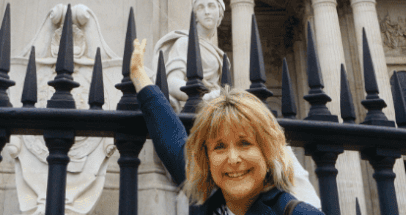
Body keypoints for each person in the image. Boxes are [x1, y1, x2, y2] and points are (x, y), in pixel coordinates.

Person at [130, 38, 324, 215]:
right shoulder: (211, 197)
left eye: (245, 143)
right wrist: (139, 75)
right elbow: (172, 141)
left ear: (267, 151)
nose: (232, 159)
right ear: (207, 158)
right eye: (219, 146)